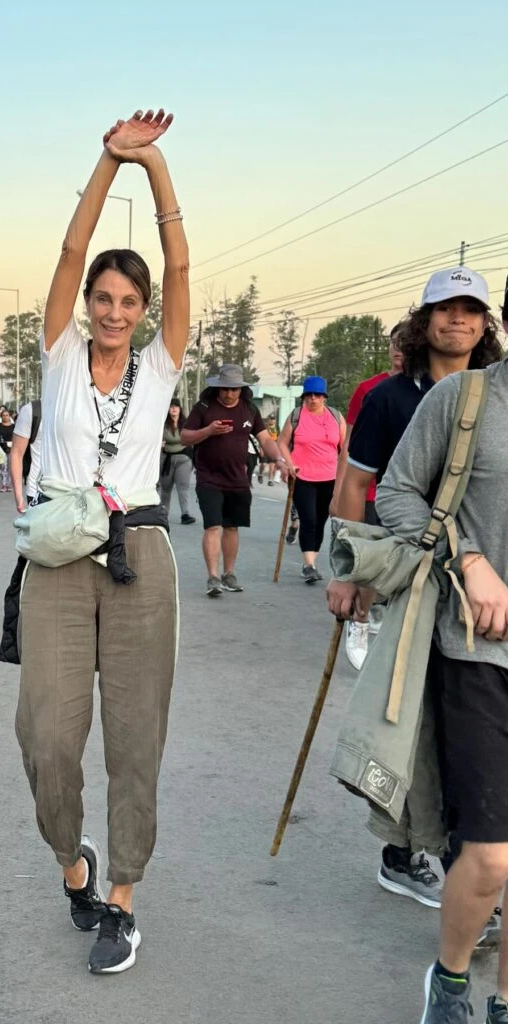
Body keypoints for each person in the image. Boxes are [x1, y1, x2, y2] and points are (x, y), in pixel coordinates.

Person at [16, 108, 189, 976]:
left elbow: (181, 263)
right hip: (57, 557)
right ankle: (72, 863)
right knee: (47, 736)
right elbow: (69, 248)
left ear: (143, 311)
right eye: (103, 299)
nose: (114, 311)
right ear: (86, 305)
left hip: (139, 560)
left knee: (133, 738)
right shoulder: (56, 355)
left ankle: (120, 897)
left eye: (129, 302)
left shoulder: (160, 367)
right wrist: (107, 163)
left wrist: (153, 167)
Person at [328, 266, 502, 928]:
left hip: (475, 597)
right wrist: (347, 574)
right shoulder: (388, 397)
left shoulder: (491, 394)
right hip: (411, 576)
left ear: (485, 323)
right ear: (423, 320)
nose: (457, 319)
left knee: (456, 738)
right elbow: (358, 486)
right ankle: (405, 851)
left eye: (470, 309)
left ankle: (466, 866)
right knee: (409, 724)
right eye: (444, 308)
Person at [373, 279, 508, 1024]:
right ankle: (450, 980)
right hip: (476, 652)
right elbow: (392, 492)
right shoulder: (465, 400)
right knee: (488, 854)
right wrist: (469, 557)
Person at [331, 325, 404, 669]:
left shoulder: (435, 388)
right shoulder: (369, 389)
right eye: (394, 344)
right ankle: (360, 622)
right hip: (370, 488)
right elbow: (350, 444)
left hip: (410, 496)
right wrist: (339, 488)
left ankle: (381, 617)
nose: (400, 349)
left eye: (406, 343)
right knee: (369, 562)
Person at [181, 364, 284, 596]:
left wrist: (279, 459)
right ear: (218, 388)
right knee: (212, 525)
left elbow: (265, 439)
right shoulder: (204, 407)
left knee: (231, 526)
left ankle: (229, 574)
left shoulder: (249, 409)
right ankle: (213, 577)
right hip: (208, 477)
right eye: (225, 389)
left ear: (241, 389)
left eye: (234, 389)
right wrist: (208, 431)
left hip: (238, 478)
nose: (229, 394)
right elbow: (185, 437)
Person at [277, 376, 346, 584]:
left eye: (317, 395)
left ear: (324, 397)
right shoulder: (296, 416)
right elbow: (282, 442)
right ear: (304, 397)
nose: (313, 399)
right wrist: (289, 463)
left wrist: (346, 475)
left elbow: (345, 449)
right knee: (309, 519)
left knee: (321, 521)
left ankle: (312, 562)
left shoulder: (336, 417)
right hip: (302, 476)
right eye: (309, 395)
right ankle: (308, 565)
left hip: (330, 478)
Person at [159, 398, 195, 524]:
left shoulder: (186, 423)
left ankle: (185, 514)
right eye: (171, 406)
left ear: (180, 409)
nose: (174, 409)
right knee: (166, 488)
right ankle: (163, 515)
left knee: (183, 487)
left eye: (176, 406)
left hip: (183, 458)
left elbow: (193, 438)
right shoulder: (163, 424)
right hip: (167, 459)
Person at [9, 400, 42, 511]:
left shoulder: (84, 406)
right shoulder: (32, 410)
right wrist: (18, 495)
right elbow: (16, 453)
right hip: (39, 491)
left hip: (79, 491)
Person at [0, 410, 15, 492]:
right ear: (1, 416)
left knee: (10, 467)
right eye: (4, 415)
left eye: (7, 415)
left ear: (9, 416)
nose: (5, 417)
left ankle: (8, 484)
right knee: (4, 467)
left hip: (12, 448)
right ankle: (3, 485)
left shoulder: (13, 426)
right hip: (1, 448)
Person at [257, 413, 279, 485]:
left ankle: (270, 480)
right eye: (271, 419)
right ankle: (260, 474)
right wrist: (261, 448)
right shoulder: (264, 427)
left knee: (272, 465)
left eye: (273, 419)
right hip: (265, 447)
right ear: (268, 420)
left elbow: (279, 438)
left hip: (273, 448)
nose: (272, 421)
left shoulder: (277, 427)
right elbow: (260, 438)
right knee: (263, 464)